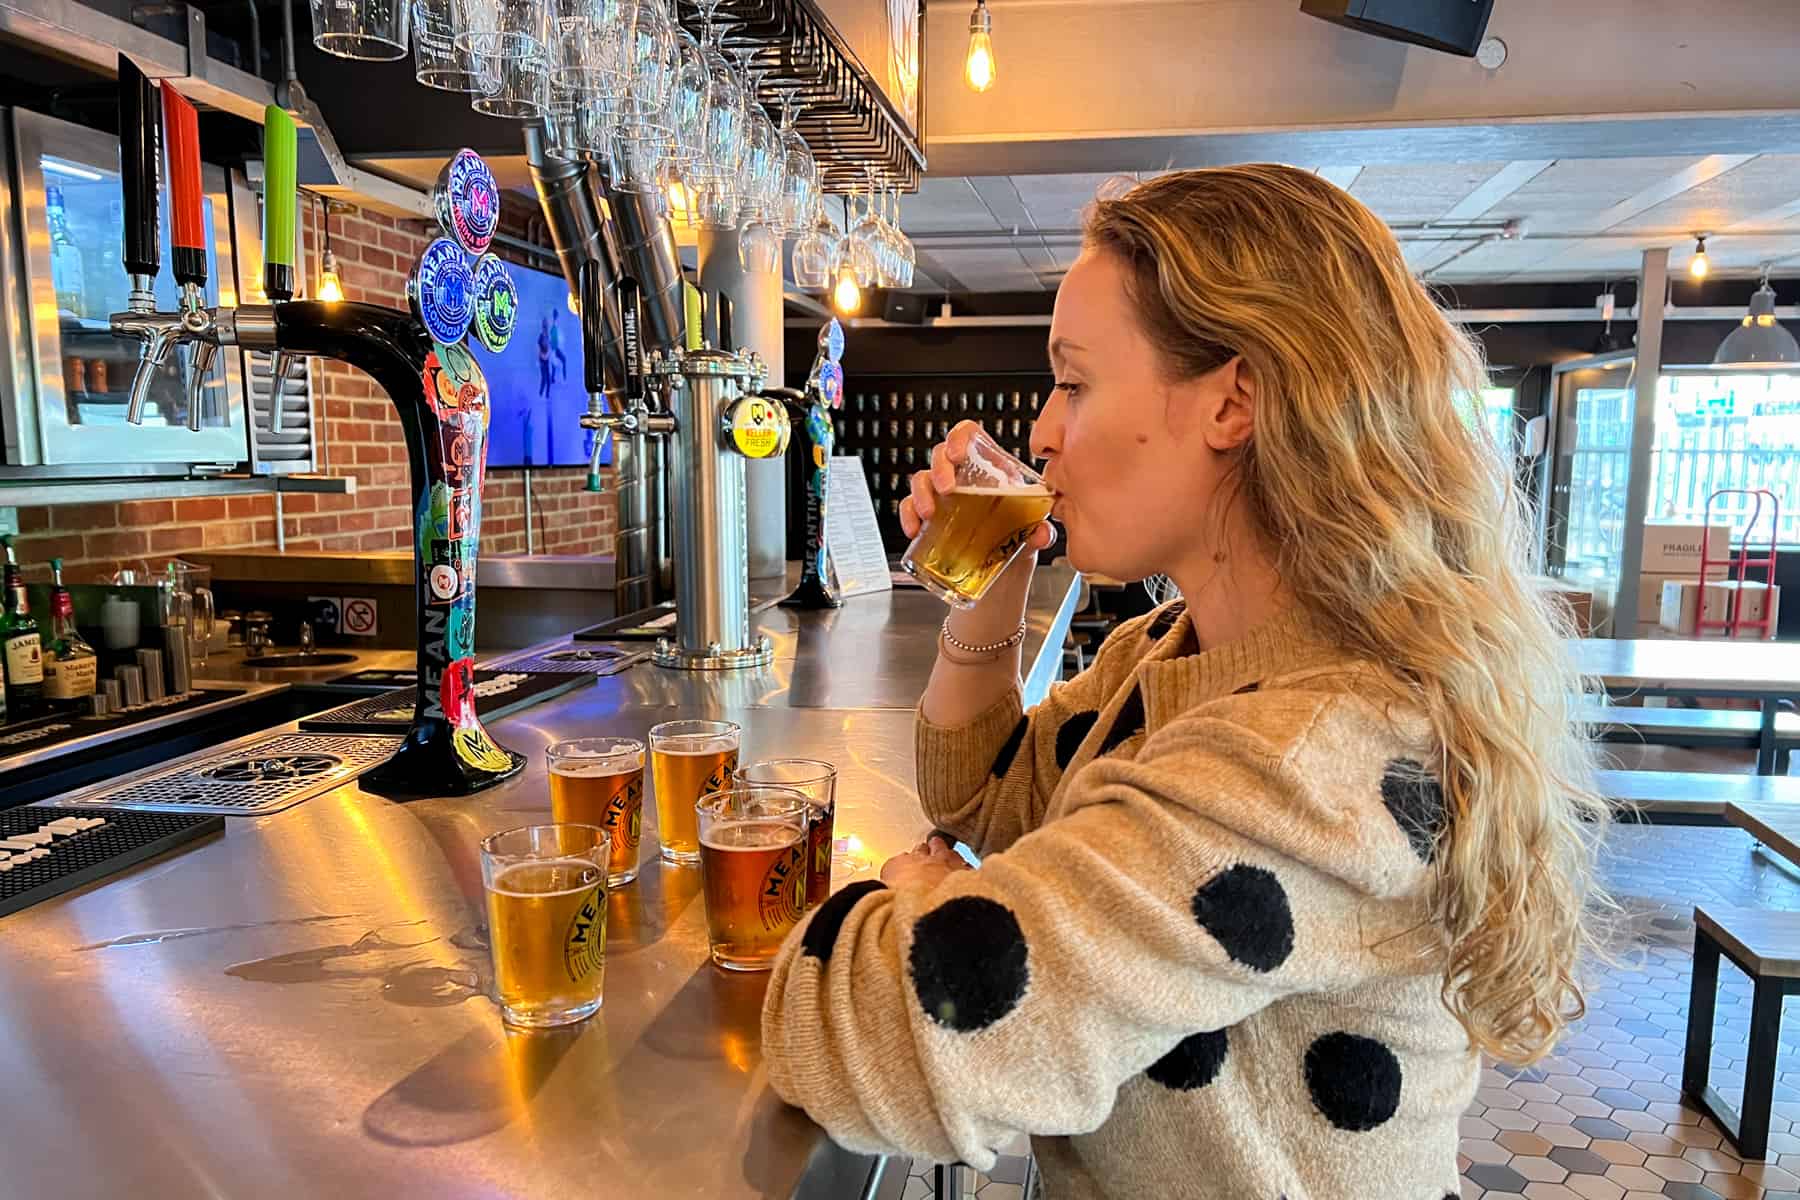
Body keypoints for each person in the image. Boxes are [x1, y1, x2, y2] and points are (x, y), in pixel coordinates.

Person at [759, 164, 1608, 1199]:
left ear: (1233, 401)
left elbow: (876, 1039)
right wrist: (988, 584)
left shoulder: (1305, 762)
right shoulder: (1172, 651)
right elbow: (985, 791)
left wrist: (934, 898)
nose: (1041, 429)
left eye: (1074, 382)